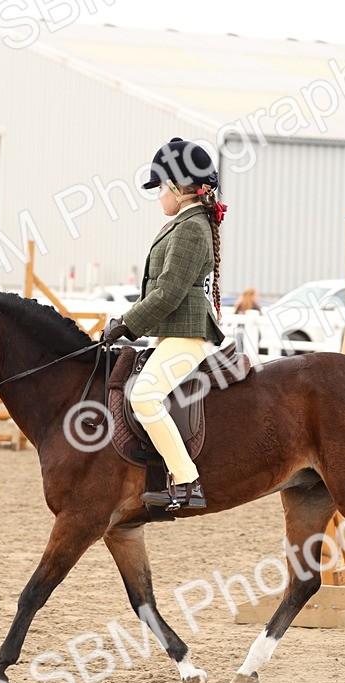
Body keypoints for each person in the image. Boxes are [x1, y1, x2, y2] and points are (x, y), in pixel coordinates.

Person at [102, 138, 228, 510]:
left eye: (160, 187)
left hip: (188, 333)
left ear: (176, 186)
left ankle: (188, 483)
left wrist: (127, 323)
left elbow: (169, 292)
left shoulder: (189, 228)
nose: (159, 196)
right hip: (173, 331)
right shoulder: (185, 222)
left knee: (144, 395)